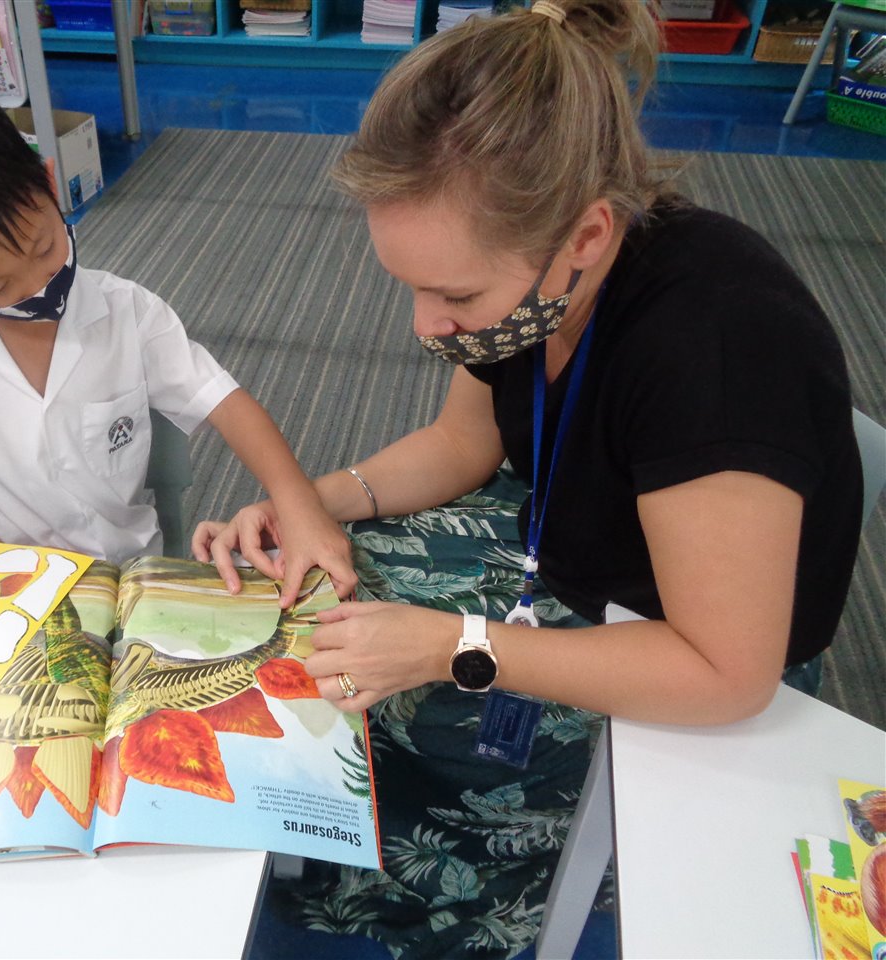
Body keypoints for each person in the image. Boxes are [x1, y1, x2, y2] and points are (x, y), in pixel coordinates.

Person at [194, 1, 863, 955]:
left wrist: (452, 647)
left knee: (399, 701)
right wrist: (305, 506)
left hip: (681, 643)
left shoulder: (717, 350)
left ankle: (456, 904)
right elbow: (461, 446)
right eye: (411, 286)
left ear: (586, 236)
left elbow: (728, 674)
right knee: (307, 603)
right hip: (560, 538)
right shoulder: (539, 284)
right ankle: (335, 844)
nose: (426, 325)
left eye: (455, 294)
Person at [0, 81, 353, 601]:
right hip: (10, 584)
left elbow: (226, 402)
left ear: (50, 182)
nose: (37, 287)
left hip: (129, 575)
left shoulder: (129, 311)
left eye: (43, 248)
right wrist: (3, 570)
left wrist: (298, 505)